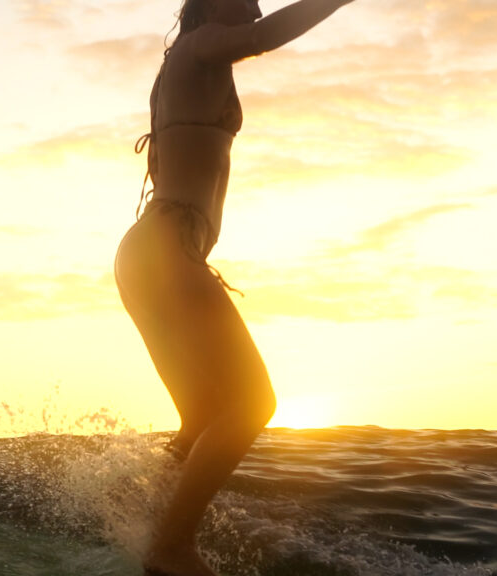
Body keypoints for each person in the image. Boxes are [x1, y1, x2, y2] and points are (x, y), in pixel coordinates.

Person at [113, 1, 356, 574]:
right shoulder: (200, 47)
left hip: (151, 254)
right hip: (165, 251)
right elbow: (264, 35)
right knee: (253, 402)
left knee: (203, 416)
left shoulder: (186, 63)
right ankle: (171, 548)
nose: (253, 4)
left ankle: (152, 529)